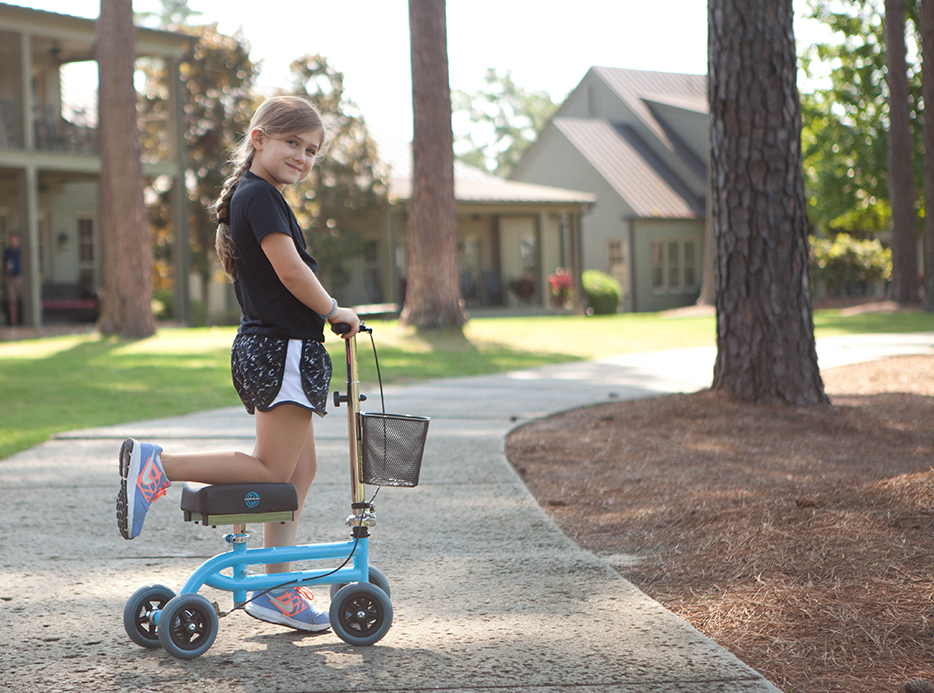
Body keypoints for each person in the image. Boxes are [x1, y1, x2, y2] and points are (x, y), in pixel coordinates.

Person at [115, 95, 361, 633]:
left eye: (312, 150)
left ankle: (278, 587)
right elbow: (291, 270)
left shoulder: (253, 197)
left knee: (299, 471)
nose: (303, 156)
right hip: (283, 350)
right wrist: (335, 310)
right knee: (275, 471)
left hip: (272, 349)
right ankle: (159, 466)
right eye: (292, 143)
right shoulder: (262, 198)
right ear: (259, 140)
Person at [3, 232, 22, 325]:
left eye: (14, 239)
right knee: (12, 301)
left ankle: (23, 320)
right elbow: (4, 266)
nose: (12, 241)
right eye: (11, 240)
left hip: (20, 278)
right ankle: (14, 321)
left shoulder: (21, 251)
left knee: (22, 299)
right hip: (10, 278)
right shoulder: (7, 252)